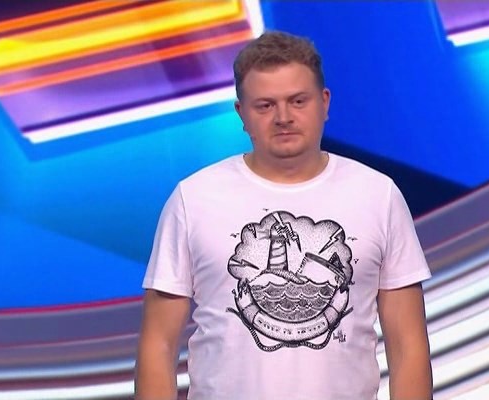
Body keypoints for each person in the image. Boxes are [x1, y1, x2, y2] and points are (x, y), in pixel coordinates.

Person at [135, 30, 433, 400]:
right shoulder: (192, 199)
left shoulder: (379, 195)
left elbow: (408, 347)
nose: (283, 117)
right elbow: (158, 345)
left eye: (298, 101)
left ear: (324, 102)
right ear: (242, 114)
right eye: (265, 105)